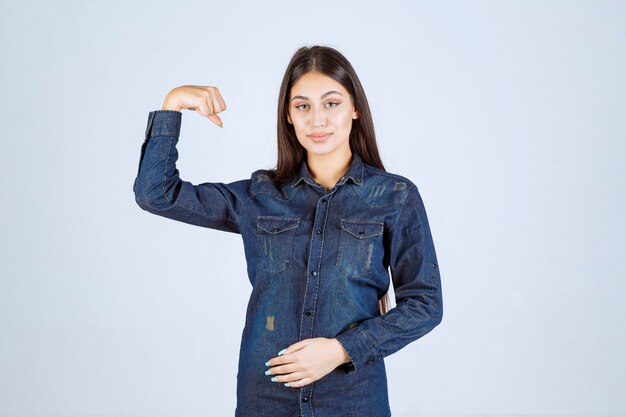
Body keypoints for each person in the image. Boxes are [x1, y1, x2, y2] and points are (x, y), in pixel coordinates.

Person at [133, 45, 443, 417]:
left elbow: (425, 303)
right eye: (302, 106)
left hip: (353, 398)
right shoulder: (260, 196)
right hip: (265, 398)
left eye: (331, 103)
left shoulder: (395, 196)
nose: (317, 120)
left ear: (355, 109)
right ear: (288, 116)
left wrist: (341, 349)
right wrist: (173, 104)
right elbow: (157, 194)